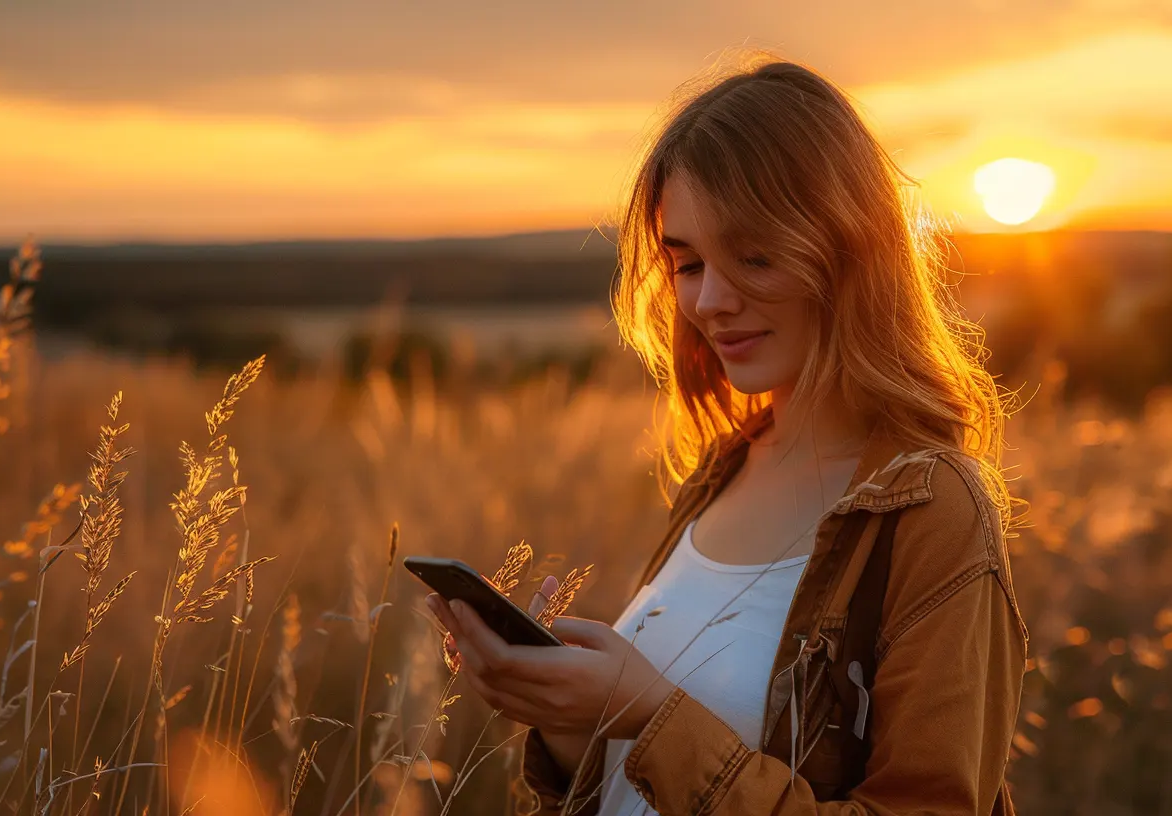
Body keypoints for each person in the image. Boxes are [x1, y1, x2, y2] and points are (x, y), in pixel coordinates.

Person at [426, 50, 1030, 815]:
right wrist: (570, 720)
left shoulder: (930, 508)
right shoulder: (723, 470)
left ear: (850, 249)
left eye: (752, 255)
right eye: (686, 263)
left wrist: (651, 715)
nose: (711, 300)